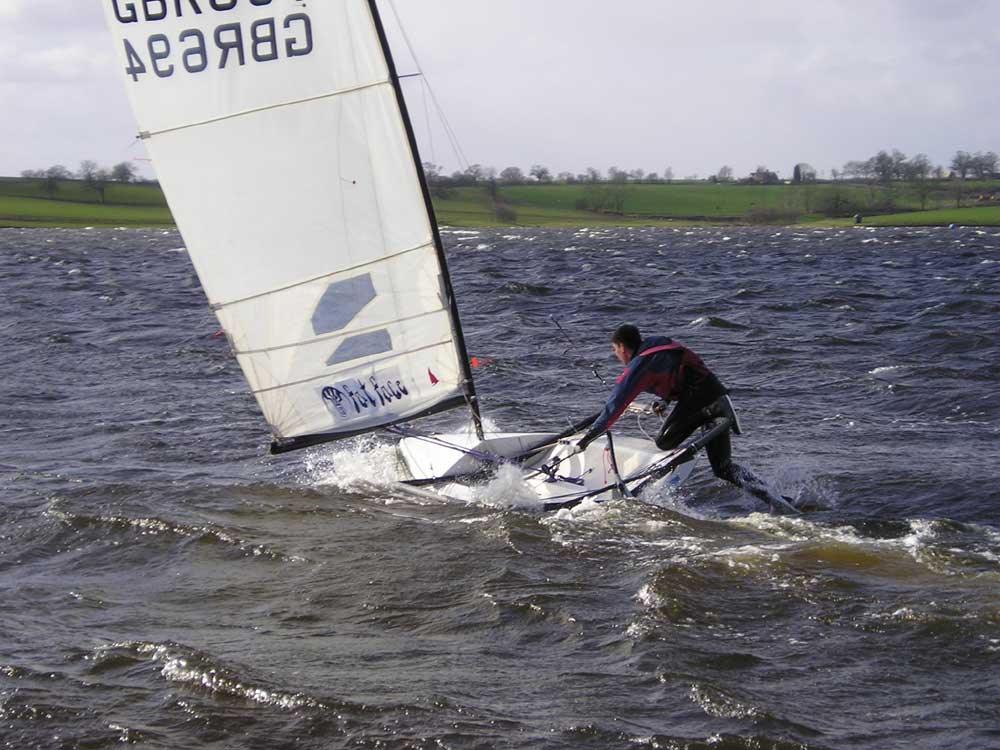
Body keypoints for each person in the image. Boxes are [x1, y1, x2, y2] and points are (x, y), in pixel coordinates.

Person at [577, 324, 795, 512]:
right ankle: (777, 499)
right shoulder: (657, 344)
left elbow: (615, 404)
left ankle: (707, 419)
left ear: (622, 348)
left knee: (665, 442)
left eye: (615, 350)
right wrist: (666, 401)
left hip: (702, 401)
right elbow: (680, 374)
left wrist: (589, 437)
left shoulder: (639, 367)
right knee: (723, 468)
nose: (616, 356)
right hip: (715, 394)